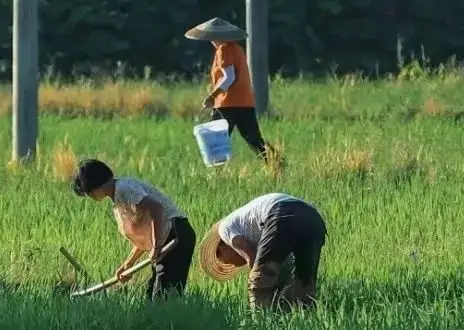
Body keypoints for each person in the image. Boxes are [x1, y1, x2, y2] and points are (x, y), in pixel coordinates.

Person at [71, 158, 197, 301]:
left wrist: (156, 247)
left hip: (174, 237)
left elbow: (157, 209)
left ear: (92, 187)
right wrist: (127, 264)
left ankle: (172, 323)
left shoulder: (124, 189)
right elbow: (145, 235)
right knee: (152, 296)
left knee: (164, 297)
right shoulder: (118, 198)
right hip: (165, 241)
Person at [200, 192, 326, 310]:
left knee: (260, 282)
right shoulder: (255, 231)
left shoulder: (225, 229)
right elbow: (285, 265)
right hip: (313, 218)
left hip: (281, 213)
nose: (234, 265)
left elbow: (252, 258)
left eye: (228, 262)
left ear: (222, 248)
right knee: (304, 284)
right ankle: (302, 321)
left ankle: (260, 324)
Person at [184, 17, 274, 163]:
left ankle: (216, 175)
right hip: (245, 102)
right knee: (254, 140)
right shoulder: (236, 48)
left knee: (215, 143)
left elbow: (229, 78)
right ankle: (276, 164)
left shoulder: (223, 50)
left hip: (228, 104)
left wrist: (213, 96)